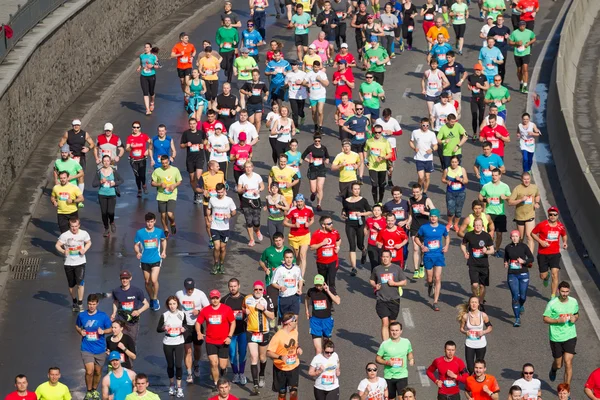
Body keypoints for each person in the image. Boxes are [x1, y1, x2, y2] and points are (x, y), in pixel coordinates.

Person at [196, 290, 236, 391]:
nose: (215, 300)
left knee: (222, 365)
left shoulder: (226, 309)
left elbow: (233, 323)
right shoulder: (205, 310)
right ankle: (216, 383)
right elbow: (198, 322)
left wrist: (229, 336)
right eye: (213, 298)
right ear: (210, 299)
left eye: (216, 298)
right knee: (213, 363)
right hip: (210, 341)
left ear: (219, 298)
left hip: (224, 341)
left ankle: (223, 370)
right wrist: (199, 333)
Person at [75, 293, 112, 400]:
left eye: (93, 304)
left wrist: (103, 331)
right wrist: (80, 331)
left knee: (98, 372)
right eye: (90, 304)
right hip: (86, 348)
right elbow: (77, 326)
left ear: (97, 304)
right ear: (87, 304)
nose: (91, 306)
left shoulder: (103, 316)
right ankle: (89, 391)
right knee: (89, 371)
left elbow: (110, 329)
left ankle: (95, 390)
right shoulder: (82, 315)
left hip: (100, 348)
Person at [543, 281, 579, 385]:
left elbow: (576, 314)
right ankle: (553, 369)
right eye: (563, 291)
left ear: (569, 291)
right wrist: (557, 321)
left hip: (570, 335)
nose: (564, 294)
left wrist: (575, 318)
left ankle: (566, 390)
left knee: (568, 362)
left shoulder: (573, 301)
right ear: (558, 291)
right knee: (559, 364)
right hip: (556, 337)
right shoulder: (552, 304)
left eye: (567, 291)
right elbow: (545, 319)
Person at [243, 280, 275, 394]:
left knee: (262, 357)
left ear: (263, 290)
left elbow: (272, 316)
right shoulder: (247, 298)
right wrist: (244, 311)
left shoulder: (267, 299)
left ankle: (262, 374)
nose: (257, 291)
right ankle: (255, 384)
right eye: (256, 289)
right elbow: (243, 308)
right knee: (253, 356)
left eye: (260, 289)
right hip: (251, 332)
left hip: (264, 332)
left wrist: (264, 309)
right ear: (253, 290)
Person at [415, 209, 450, 311]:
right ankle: (430, 285)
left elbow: (447, 237)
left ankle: (435, 302)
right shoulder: (424, 228)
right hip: (428, 256)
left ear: (438, 217)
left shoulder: (442, 228)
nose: (433, 218)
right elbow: (416, 238)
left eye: (435, 216)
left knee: (438, 278)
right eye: (431, 216)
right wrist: (421, 246)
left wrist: (447, 246)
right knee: (430, 278)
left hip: (439, 255)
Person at [175, 278, 209, 383]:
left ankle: (196, 364)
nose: (190, 290)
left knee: (197, 348)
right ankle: (189, 374)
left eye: (192, 288)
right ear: (184, 287)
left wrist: (199, 311)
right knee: (188, 350)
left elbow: (208, 308)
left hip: (197, 325)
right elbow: (174, 305)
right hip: (185, 326)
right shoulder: (179, 294)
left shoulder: (200, 294)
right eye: (188, 289)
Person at [370, 250, 407, 341]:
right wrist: (375, 285)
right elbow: (371, 280)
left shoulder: (396, 268)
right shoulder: (377, 269)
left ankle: (392, 343)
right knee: (385, 322)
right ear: (381, 258)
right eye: (383, 257)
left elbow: (404, 282)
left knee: (392, 323)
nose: (385, 259)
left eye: (387, 257)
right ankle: (385, 345)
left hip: (394, 300)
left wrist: (394, 283)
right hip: (381, 299)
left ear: (391, 258)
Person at [55, 216, 92, 309]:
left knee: (80, 283)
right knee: (71, 285)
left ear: (79, 225)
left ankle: (80, 303)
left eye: (76, 226)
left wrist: (85, 249)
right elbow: (57, 245)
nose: (74, 228)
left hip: (80, 262)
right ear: (69, 226)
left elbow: (89, 242)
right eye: (72, 226)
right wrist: (63, 251)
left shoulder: (84, 234)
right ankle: (74, 301)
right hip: (68, 263)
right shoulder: (65, 235)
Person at [531, 207, 568, 297]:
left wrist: (565, 242)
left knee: (555, 274)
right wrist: (541, 242)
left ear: (557, 216)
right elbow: (533, 233)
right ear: (548, 215)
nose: (552, 216)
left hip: (554, 254)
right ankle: (546, 277)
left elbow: (564, 234)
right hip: (543, 254)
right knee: (542, 276)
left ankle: (553, 296)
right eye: (550, 214)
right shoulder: (542, 225)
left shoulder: (560, 226)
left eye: (554, 215)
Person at [267, 312, 303, 400]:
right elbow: (268, 352)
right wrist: (280, 357)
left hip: (293, 366)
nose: (296, 322)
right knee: (282, 393)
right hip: (281, 368)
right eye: (295, 321)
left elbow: (295, 342)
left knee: (294, 392)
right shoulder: (278, 336)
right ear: (290, 323)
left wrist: (298, 348)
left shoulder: (295, 332)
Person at [157, 296, 187, 398]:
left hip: (179, 342)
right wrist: (164, 328)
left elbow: (185, 325)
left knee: (178, 365)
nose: (172, 306)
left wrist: (184, 329)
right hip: (168, 343)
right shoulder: (165, 315)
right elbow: (158, 329)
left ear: (177, 304)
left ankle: (179, 387)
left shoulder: (182, 314)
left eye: (174, 304)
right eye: (170, 304)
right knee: (170, 365)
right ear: (167, 305)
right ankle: (171, 385)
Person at [375, 322, 414, 400]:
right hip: (389, 376)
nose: (394, 332)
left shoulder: (406, 342)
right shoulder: (385, 344)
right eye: (392, 330)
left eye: (397, 330)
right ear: (389, 331)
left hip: (402, 375)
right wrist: (386, 362)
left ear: (401, 331)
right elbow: (377, 359)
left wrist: (411, 359)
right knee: (391, 398)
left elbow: (409, 353)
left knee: (402, 398)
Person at [461, 219, 495, 305]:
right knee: (475, 285)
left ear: (483, 226)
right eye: (476, 225)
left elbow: (492, 250)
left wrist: (486, 251)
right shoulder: (469, 235)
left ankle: (481, 301)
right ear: (473, 225)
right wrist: (465, 253)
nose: (478, 227)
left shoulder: (486, 236)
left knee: (482, 286)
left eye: (479, 225)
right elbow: (463, 244)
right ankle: (475, 299)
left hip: (483, 264)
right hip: (472, 264)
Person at [220, 279, 248, 386]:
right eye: (231, 286)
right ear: (228, 287)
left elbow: (251, 312)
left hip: (242, 331)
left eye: (235, 286)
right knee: (232, 354)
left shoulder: (245, 298)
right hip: (230, 333)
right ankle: (235, 373)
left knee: (242, 353)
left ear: (239, 286)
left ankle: (241, 373)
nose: (233, 288)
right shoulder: (224, 300)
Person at [504, 230, 534, 326]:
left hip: (523, 273)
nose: (514, 238)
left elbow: (531, 258)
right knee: (515, 297)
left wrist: (524, 261)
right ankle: (517, 319)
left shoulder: (524, 247)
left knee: (523, 296)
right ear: (510, 237)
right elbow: (506, 257)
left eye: (516, 236)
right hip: (512, 274)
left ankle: (520, 305)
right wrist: (505, 262)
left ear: (519, 237)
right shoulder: (508, 247)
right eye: (513, 236)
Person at [478, 169, 511, 256]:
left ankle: (497, 249)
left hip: (500, 214)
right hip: (489, 213)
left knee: (499, 234)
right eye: (493, 175)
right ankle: (489, 248)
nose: (494, 177)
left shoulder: (505, 186)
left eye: (496, 175)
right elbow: (480, 196)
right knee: (489, 233)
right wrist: (485, 199)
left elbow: (510, 198)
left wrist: (506, 197)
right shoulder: (486, 186)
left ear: (500, 176)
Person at [306, 275, 341, 355]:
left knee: (327, 347)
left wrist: (328, 291)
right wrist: (307, 310)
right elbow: (306, 298)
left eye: (320, 285)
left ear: (323, 283)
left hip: (327, 321)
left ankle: (327, 363)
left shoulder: (330, 290)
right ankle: (318, 366)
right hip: (315, 321)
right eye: (316, 285)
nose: (318, 287)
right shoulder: (311, 291)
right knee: (318, 350)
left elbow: (338, 301)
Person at [111, 270, 150, 342]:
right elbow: (115, 302)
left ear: (130, 278)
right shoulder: (116, 291)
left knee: (131, 342)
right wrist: (113, 313)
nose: (124, 280)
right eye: (123, 278)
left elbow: (147, 305)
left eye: (126, 278)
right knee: (119, 340)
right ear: (120, 279)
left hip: (133, 321)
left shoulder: (137, 291)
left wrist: (138, 311)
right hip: (121, 320)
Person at [342, 184, 372, 275]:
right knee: (352, 245)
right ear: (352, 190)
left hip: (360, 224)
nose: (357, 191)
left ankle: (363, 250)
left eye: (358, 189)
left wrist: (362, 214)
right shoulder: (346, 200)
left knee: (359, 244)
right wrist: (343, 214)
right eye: (355, 189)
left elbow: (370, 212)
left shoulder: (363, 200)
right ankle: (353, 268)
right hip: (349, 224)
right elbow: (344, 210)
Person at [457, 297, 493, 374]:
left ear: (478, 304)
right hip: (470, 344)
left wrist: (483, 332)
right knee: (470, 367)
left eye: (475, 302)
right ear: (469, 304)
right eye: (472, 302)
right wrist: (465, 332)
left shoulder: (483, 315)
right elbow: (461, 328)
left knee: (479, 367)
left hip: (481, 344)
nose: (474, 304)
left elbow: (490, 327)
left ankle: (476, 382)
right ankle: (471, 377)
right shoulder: (465, 316)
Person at [58, 119, 95, 193]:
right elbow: (60, 144)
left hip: (81, 157)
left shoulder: (84, 134)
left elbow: (92, 144)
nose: (76, 126)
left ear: (80, 126)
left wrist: (88, 148)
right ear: (72, 126)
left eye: (77, 125)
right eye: (74, 125)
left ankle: (80, 194)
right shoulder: (68, 133)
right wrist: (67, 152)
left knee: (81, 176)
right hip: (70, 158)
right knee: (69, 175)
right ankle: (68, 192)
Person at [208, 183, 237, 274]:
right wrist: (208, 216)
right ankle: (216, 264)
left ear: (224, 190)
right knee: (216, 247)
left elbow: (234, 211)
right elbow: (209, 208)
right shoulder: (212, 199)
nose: (220, 194)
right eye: (218, 192)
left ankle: (222, 263)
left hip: (225, 228)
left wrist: (230, 215)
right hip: (214, 227)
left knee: (223, 248)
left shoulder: (229, 200)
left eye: (221, 192)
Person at [151, 154, 183, 237]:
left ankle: (172, 222)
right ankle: (165, 229)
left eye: (166, 163)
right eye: (163, 163)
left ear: (168, 161)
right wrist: (160, 184)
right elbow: (152, 183)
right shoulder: (157, 171)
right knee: (163, 214)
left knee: (169, 214)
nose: (164, 165)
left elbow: (179, 181)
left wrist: (174, 185)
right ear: (161, 163)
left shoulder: (175, 170)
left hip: (172, 194)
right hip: (161, 195)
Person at [508, 172, 540, 254]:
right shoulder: (517, 189)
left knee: (530, 236)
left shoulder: (534, 187)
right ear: (522, 179)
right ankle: (521, 253)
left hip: (530, 215)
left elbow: (537, 195)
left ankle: (530, 256)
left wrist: (537, 202)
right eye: (525, 179)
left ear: (530, 179)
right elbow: (510, 202)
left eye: (528, 179)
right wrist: (521, 200)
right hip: (520, 216)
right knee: (521, 238)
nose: (526, 181)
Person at [93, 155, 124, 237]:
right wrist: (100, 181)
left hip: (112, 194)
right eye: (104, 161)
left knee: (110, 212)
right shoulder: (99, 172)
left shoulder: (113, 171)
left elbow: (121, 180)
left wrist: (115, 183)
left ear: (110, 162)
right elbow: (94, 184)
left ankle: (112, 222)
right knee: (104, 213)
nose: (106, 162)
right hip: (102, 194)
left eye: (108, 161)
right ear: (102, 162)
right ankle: (106, 229)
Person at [284, 194, 315, 277]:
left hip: (305, 235)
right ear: (296, 202)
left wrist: (309, 223)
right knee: (297, 257)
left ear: (304, 201)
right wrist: (293, 225)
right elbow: (285, 222)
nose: (299, 203)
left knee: (302, 255)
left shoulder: (309, 209)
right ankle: (297, 270)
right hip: (294, 236)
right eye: (298, 202)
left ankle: (301, 277)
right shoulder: (292, 210)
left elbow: (312, 219)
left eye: (301, 201)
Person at [236, 160, 264, 246]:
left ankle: (257, 230)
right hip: (246, 200)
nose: (248, 169)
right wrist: (243, 189)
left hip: (256, 200)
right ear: (244, 168)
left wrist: (258, 190)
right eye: (246, 167)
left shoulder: (257, 176)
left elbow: (262, 186)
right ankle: (252, 239)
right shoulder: (242, 177)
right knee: (249, 221)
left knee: (256, 222)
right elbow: (239, 190)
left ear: (252, 167)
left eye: (249, 167)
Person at [271, 249, 304, 321]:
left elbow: (300, 279)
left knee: (295, 319)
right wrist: (280, 287)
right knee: (285, 320)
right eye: (287, 257)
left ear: (293, 258)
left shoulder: (297, 269)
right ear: (284, 258)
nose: (289, 260)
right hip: (284, 298)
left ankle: (295, 332)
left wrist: (300, 288)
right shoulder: (279, 269)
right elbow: (273, 282)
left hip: (295, 297)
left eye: (290, 257)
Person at [310, 216, 342, 287]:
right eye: (329, 224)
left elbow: (339, 240)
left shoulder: (335, 232)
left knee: (332, 282)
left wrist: (338, 247)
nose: (331, 225)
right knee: (323, 282)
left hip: (333, 261)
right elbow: (312, 247)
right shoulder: (316, 234)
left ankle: (332, 295)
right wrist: (322, 243)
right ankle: (324, 296)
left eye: (332, 223)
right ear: (323, 225)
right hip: (321, 262)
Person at [201, 161, 226, 250]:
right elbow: (197, 187)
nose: (219, 167)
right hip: (207, 202)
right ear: (211, 167)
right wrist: (203, 191)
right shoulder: (204, 176)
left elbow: (224, 185)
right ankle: (211, 238)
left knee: (219, 220)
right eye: (217, 166)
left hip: (219, 202)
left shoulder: (221, 174)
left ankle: (219, 237)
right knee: (208, 223)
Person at [342, 105, 370, 183]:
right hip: (354, 142)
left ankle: (360, 177)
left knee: (361, 159)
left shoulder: (365, 118)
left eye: (360, 109)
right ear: (355, 110)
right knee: (354, 160)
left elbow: (366, 127)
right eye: (357, 109)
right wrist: (351, 132)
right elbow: (344, 127)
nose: (359, 110)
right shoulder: (351, 118)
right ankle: (354, 176)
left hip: (362, 142)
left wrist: (368, 131)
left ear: (363, 110)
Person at [302, 133, 330, 210]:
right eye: (316, 141)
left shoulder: (323, 148)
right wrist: (309, 160)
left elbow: (327, 157)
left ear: (320, 141)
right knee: (313, 189)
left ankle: (319, 204)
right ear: (314, 140)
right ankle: (314, 194)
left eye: (319, 141)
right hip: (313, 169)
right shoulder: (310, 148)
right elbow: (303, 156)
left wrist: (327, 160)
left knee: (320, 188)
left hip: (321, 169)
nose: (317, 142)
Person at [366, 126, 393, 204]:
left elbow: (390, 155)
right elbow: (365, 150)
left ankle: (380, 201)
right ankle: (375, 203)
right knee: (374, 185)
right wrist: (365, 160)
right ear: (374, 132)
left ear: (381, 132)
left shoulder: (385, 142)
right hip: (372, 166)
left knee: (381, 185)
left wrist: (382, 158)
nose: (377, 134)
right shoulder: (369, 141)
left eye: (379, 132)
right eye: (376, 132)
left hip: (382, 167)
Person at [410, 119, 437, 193]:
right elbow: (411, 142)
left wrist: (432, 149)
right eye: (424, 125)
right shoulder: (415, 132)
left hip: (428, 159)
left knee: (427, 177)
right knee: (421, 177)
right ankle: (419, 189)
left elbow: (435, 145)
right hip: (419, 158)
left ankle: (424, 192)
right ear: (420, 124)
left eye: (427, 125)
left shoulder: (432, 134)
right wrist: (414, 148)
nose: (425, 127)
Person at [442, 156, 468, 232]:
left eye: (455, 162)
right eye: (452, 162)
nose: (454, 164)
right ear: (450, 162)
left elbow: (466, 181)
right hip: (450, 192)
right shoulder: (447, 170)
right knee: (450, 210)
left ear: (458, 162)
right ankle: (450, 223)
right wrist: (447, 181)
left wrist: (460, 179)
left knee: (458, 210)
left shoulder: (462, 169)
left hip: (461, 193)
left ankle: (456, 224)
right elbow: (443, 179)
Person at [509, 21, 536, 93]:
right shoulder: (515, 33)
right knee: (519, 70)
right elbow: (510, 42)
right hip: (517, 53)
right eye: (521, 26)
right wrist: (516, 43)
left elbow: (534, 38)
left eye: (523, 26)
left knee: (525, 68)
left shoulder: (529, 32)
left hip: (526, 52)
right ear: (519, 26)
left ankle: (525, 85)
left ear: (525, 26)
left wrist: (529, 43)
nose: (522, 27)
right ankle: (521, 82)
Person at [125, 122, 151, 198]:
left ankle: (144, 185)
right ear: (132, 128)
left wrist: (148, 150)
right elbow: (127, 149)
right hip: (133, 160)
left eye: (137, 127)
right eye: (134, 127)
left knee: (142, 175)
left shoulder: (144, 136)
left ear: (140, 128)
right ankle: (139, 190)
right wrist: (130, 147)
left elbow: (151, 142)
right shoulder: (130, 137)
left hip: (142, 159)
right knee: (137, 176)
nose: (136, 129)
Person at [171, 33, 196, 99]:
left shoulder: (191, 45)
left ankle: (188, 93)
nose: (187, 39)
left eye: (187, 38)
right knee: (182, 81)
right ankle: (185, 93)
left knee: (187, 81)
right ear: (181, 39)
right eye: (185, 38)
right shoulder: (177, 46)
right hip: (180, 66)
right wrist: (179, 54)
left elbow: (194, 51)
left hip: (188, 65)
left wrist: (192, 57)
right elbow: (172, 55)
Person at [468, 64, 490, 139]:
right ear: (474, 70)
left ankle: (481, 133)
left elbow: (487, 87)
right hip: (473, 98)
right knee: (474, 116)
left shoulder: (483, 77)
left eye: (479, 70)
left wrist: (480, 87)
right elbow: (469, 85)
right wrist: (470, 87)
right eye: (477, 70)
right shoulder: (470, 77)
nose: (478, 71)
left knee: (481, 117)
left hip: (481, 98)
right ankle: (474, 133)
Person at [285, 61, 308, 131]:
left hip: (301, 95)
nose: (293, 66)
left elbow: (307, 84)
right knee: (295, 112)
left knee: (300, 111)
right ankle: (295, 127)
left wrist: (301, 83)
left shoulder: (303, 74)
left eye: (294, 65)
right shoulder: (288, 75)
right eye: (292, 65)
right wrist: (287, 85)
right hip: (292, 95)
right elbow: (285, 85)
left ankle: (302, 116)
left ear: (298, 66)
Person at [216, 18, 239, 83]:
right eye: (226, 21)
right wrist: (219, 43)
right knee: (223, 65)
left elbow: (237, 39)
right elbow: (217, 38)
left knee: (230, 65)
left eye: (228, 20)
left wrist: (235, 42)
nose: (227, 22)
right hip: (222, 50)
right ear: (224, 22)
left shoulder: (234, 30)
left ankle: (229, 80)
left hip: (231, 50)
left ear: (230, 22)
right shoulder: (220, 30)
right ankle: (226, 69)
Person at [137, 43, 159, 112]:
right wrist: (139, 68)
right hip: (143, 76)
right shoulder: (141, 56)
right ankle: (147, 109)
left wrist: (152, 66)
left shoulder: (154, 57)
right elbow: (141, 63)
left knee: (151, 92)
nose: (146, 48)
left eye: (147, 47)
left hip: (151, 76)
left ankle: (152, 102)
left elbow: (158, 66)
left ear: (150, 48)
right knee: (145, 92)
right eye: (145, 47)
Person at [198, 46, 221, 111]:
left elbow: (218, 68)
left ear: (211, 52)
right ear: (205, 52)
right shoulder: (202, 59)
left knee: (214, 94)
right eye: (207, 52)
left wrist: (215, 70)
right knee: (208, 95)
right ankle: (210, 109)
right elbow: (200, 69)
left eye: (209, 52)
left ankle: (213, 106)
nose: (208, 54)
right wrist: (202, 73)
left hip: (214, 78)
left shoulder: (215, 59)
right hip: (206, 78)